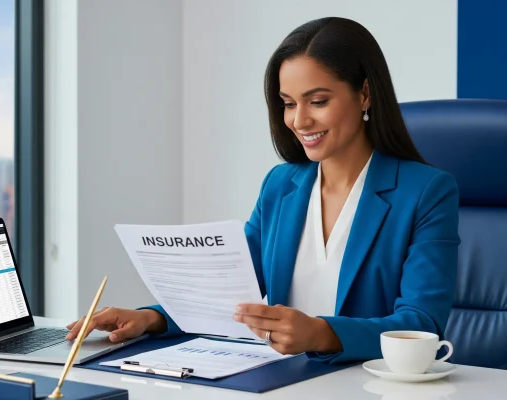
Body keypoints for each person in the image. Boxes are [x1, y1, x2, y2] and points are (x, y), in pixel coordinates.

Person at [66, 17, 460, 364]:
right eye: (288, 103)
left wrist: (321, 333)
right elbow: (229, 291)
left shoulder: (426, 192)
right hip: (280, 379)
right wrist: (150, 318)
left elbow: (421, 324)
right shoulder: (281, 185)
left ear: (365, 94)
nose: (299, 120)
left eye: (318, 101)